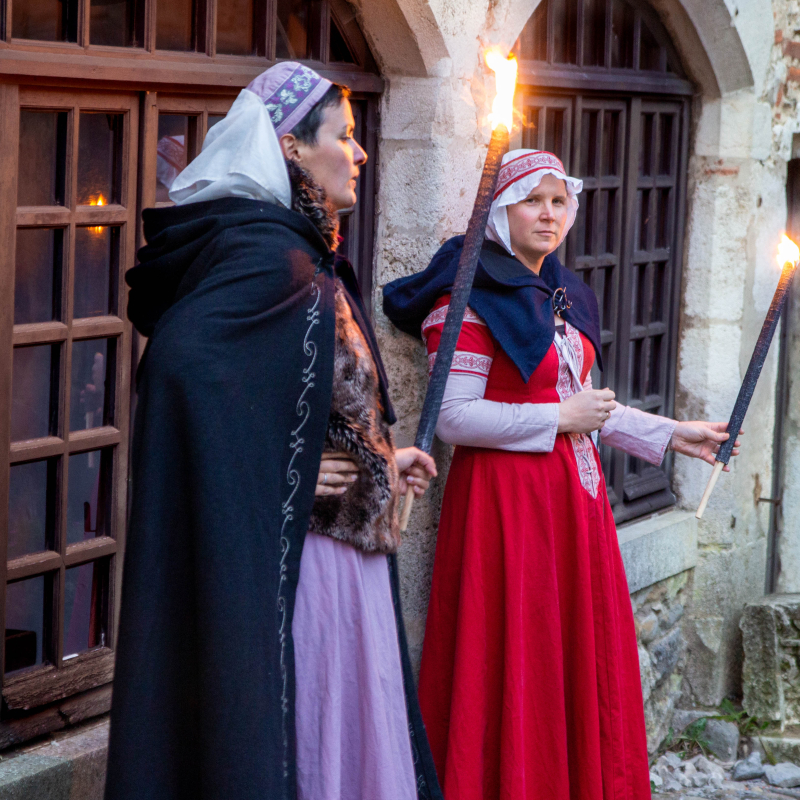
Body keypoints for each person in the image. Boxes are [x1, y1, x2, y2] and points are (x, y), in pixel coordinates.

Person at [105, 62, 442, 800]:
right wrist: (266, 467)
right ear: (291, 148)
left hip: (347, 563)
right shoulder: (268, 259)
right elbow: (180, 375)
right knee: (311, 752)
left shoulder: (301, 255)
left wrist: (386, 457)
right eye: (344, 137)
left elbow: (306, 402)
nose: (357, 153)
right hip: (304, 574)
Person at [382, 149, 741, 800]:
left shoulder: (564, 295)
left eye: (559, 201)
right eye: (532, 201)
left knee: (574, 657)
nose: (549, 214)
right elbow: (456, 418)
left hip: (576, 505)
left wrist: (670, 434)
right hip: (507, 508)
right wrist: (557, 415)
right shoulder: (465, 295)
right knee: (519, 656)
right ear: (500, 212)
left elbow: (586, 406)